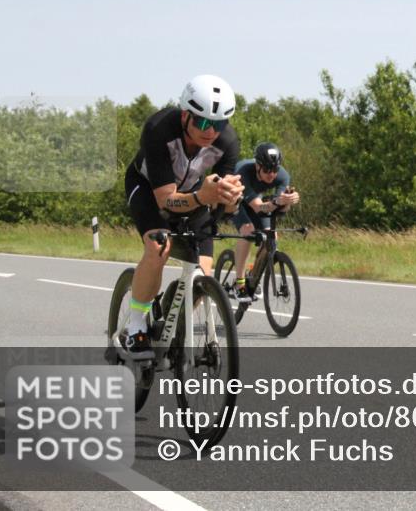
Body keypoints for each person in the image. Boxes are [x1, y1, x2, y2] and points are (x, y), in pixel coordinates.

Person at [122, 75, 245, 358]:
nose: (210, 131)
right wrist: (203, 197)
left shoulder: (227, 142)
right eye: (202, 122)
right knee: (158, 246)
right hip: (147, 188)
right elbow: (166, 201)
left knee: (203, 272)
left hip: (193, 193)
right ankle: (137, 327)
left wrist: (230, 198)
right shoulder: (159, 129)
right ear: (185, 115)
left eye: (219, 124)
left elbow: (222, 201)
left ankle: (172, 317)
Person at [231, 142, 300, 302]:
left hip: (258, 201)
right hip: (236, 200)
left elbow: (280, 210)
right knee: (248, 231)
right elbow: (257, 207)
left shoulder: (282, 175)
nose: (271, 174)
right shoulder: (243, 173)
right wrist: (277, 202)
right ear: (257, 166)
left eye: (275, 169)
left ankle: (253, 274)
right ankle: (239, 283)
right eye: (267, 170)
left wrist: (288, 201)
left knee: (272, 238)